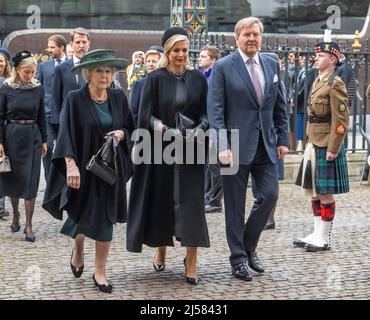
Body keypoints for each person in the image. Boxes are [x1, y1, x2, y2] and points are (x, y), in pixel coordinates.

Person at [43, 49, 133, 293]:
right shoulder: (75, 98)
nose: (104, 76)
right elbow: (65, 133)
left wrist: (122, 133)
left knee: (106, 218)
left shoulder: (118, 97)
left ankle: (100, 272)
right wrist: (70, 164)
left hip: (110, 169)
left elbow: (130, 127)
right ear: (87, 74)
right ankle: (78, 249)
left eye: (108, 71)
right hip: (82, 168)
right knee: (80, 214)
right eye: (99, 71)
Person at [208, 17, 289, 281]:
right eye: (247, 34)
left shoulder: (271, 62)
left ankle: (248, 245)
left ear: (261, 37)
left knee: (269, 195)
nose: (252, 38)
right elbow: (215, 110)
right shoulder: (223, 67)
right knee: (234, 207)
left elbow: (280, 105)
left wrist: (282, 140)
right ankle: (238, 259)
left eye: (256, 34)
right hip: (233, 146)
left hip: (266, 145)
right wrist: (222, 145)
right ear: (237, 38)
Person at [127, 27, 210, 285]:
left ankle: (191, 260)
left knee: (191, 203)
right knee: (162, 199)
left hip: (191, 148)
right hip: (160, 147)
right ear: (167, 51)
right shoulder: (155, 79)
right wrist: (160, 127)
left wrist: (200, 128)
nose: (181, 55)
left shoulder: (198, 79)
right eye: (176, 50)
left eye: (185, 50)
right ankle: (161, 247)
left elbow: (207, 114)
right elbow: (145, 114)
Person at [293, 40, 349, 252]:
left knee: (325, 192)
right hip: (313, 142)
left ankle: (324, 237)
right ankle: (316, 233)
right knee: (314, 191)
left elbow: (341, 119)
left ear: (332, 59)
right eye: (316, 55)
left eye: (321, 56)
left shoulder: (335, 83)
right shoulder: (318, 80)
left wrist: (334, 147)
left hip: (327, 143)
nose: (316, 58)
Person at [0, 51, 47, 242]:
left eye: (33, 72)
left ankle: (28, 224)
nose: (30, 76)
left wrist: (44, 140)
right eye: (27, 72)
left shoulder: (37, 88)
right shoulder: (6, 88)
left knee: (31, 182)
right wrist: (0, 141)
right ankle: (16, 215)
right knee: (14, 179)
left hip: (33, 137)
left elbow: (42, 116)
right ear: (17, 70)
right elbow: (0, 116)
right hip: (12, 135)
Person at [37, 34, 67, 181]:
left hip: (65, 114)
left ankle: (62, 181)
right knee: (47, 148)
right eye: (48, 47)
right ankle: (49, 181)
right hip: (47, 114)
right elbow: (38, 89)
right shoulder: (43, 66)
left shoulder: (71, 65)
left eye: (52, 47)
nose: (49, 50)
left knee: (64, 148)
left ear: (62, 47)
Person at [197, 45, 224, 213]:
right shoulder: (201, 75)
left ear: (212, 60)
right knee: (207, 165)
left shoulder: (216, 77)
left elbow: (216, 107)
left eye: (203, 56)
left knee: (215, 166)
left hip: (214, 126)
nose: (199, 58)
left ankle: (215, 200)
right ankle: (208, 196)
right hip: (204, 125)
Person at [52, 27, 90, 127]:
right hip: (69, 120)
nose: (81, 45)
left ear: (88, 44)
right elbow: (57, 98)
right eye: (78, 42)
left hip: (92, 121)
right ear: (71, 44)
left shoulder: (96, 68)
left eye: (84, 42)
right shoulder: (61, 68)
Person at [130, 47, 162, 126]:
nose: (150, 64)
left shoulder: (167, 84)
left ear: (161, 64)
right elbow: (133, 114)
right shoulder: (139, 84)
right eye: (148, 61)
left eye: (154, 61)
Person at [0, 47, 12, 219]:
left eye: (1, 60)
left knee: (2, 167)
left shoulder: (10, 81)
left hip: (7, 128)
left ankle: (1, 207)